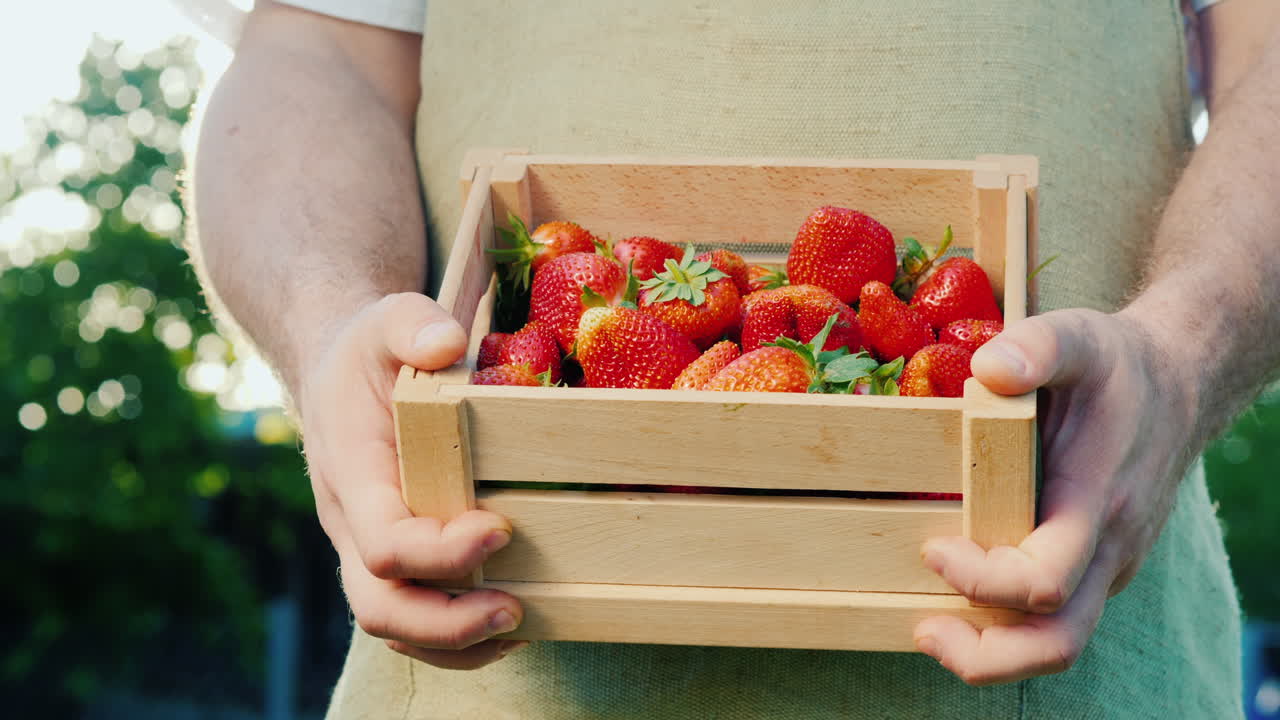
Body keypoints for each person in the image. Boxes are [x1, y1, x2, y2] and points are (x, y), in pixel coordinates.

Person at [187, 0, 1280, 717]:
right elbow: (317, 48)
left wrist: (1183, 347)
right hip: (501, 656)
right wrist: (331, 320)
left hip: (1081, 641)